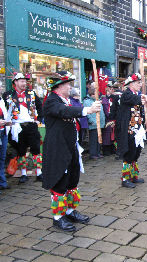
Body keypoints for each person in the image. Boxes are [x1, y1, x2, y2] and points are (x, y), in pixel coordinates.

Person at [42, 71, 102, 231]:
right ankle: (58, 217)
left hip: (71, 145)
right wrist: (87, 110)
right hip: (58, 148)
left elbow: (69, 111)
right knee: (60, 180)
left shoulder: (65, 100)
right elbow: (63, 112)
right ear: (59, 86)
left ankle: (69, 211)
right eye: (68, 83)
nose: (70, 86)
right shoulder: (51, 101)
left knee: (72, 178)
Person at [3, 72, 43, 183]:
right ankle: (23, 173)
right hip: (17, 126)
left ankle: (39, 173)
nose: (24, 83)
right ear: (15, 82)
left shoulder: (32, 93)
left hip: (31, 124)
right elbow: (4, 110)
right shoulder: (7, 95)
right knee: (21, 150)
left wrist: (39, 120)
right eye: (21, 81)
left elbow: (40, 107)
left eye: (25, 81)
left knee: (36, 149)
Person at [117, 73, 147, 188]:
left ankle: (133, 176)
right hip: (129, 130)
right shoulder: (126, 94)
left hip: (138, 130)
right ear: (131, 84)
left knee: (136, 153)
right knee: (128, 154)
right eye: (138, 83)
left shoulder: (137, 94)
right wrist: (145, 98)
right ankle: (125, 179)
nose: (141, 85)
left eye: (140, 82)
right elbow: (135, 99)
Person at [83, 84, 105, 159]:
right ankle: (93, 154)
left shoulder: (97, 100)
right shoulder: (87, 101)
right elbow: (88, 113)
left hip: (100, 124)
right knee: (93, 139)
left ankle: (98, 152)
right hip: (94, 124)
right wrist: (93, 121)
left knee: (99, 139)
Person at [101, 86, 116, 156]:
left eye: (113, 89)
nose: (112, 90)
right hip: (108, 120)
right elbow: (106, 111)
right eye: (111, 89)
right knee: (107, 136)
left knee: (113, 136)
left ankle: (113, 149)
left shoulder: (114, 98)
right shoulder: (104, 100)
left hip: (114, 119)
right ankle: (106, 151)